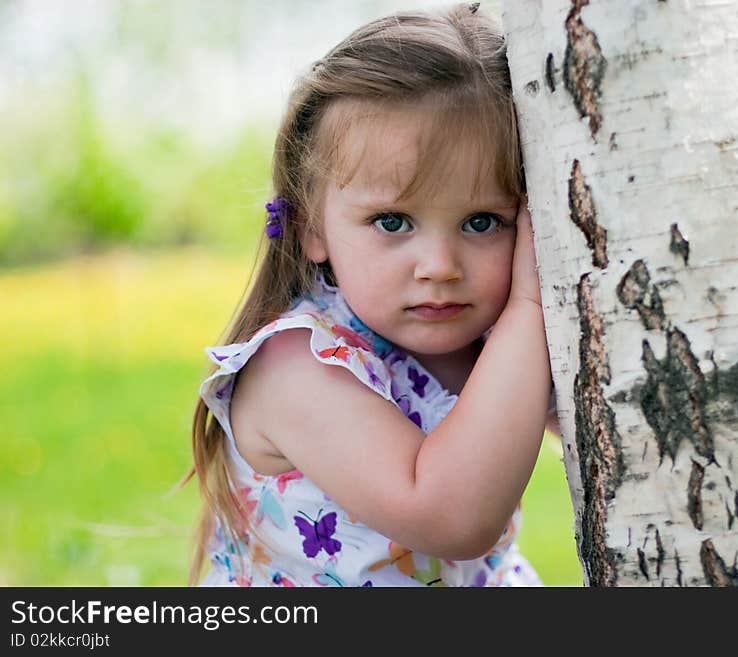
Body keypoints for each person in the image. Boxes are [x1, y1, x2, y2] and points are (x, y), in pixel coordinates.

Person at [188, 2, 555, 587]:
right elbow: (450, 516)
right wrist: (531, 308)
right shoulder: (295, 368)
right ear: (312, 226)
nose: (439, 267)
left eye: (482, 222)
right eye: (392, 222)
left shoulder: (490, 339)